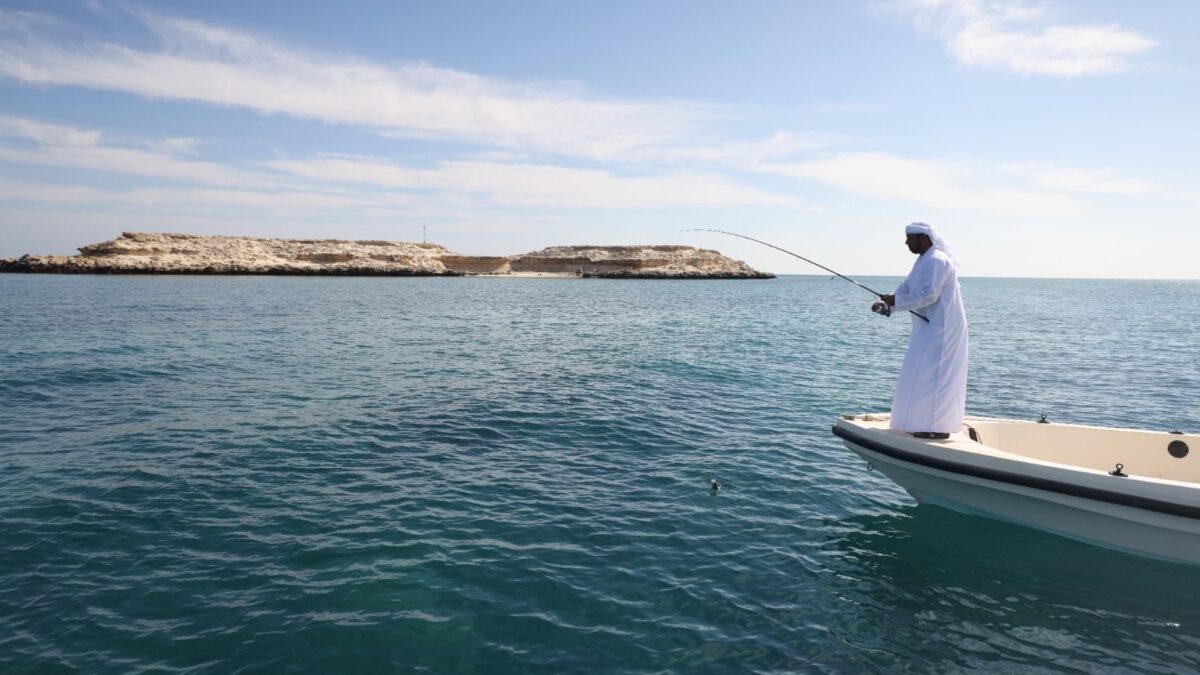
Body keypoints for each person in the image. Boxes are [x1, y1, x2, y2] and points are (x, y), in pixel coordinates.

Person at [872, 222, 968, 439]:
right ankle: (915, 422)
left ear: (923, 238)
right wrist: (886, 304)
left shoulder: (937, 260)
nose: (906, 242)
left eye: (910, 238)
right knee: (918, 375)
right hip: (928, 327)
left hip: (943, 329)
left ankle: (938, 428)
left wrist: (895, 300)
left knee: (936, 377)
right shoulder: (923, 261)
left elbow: (929, 295)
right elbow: (906, 288)